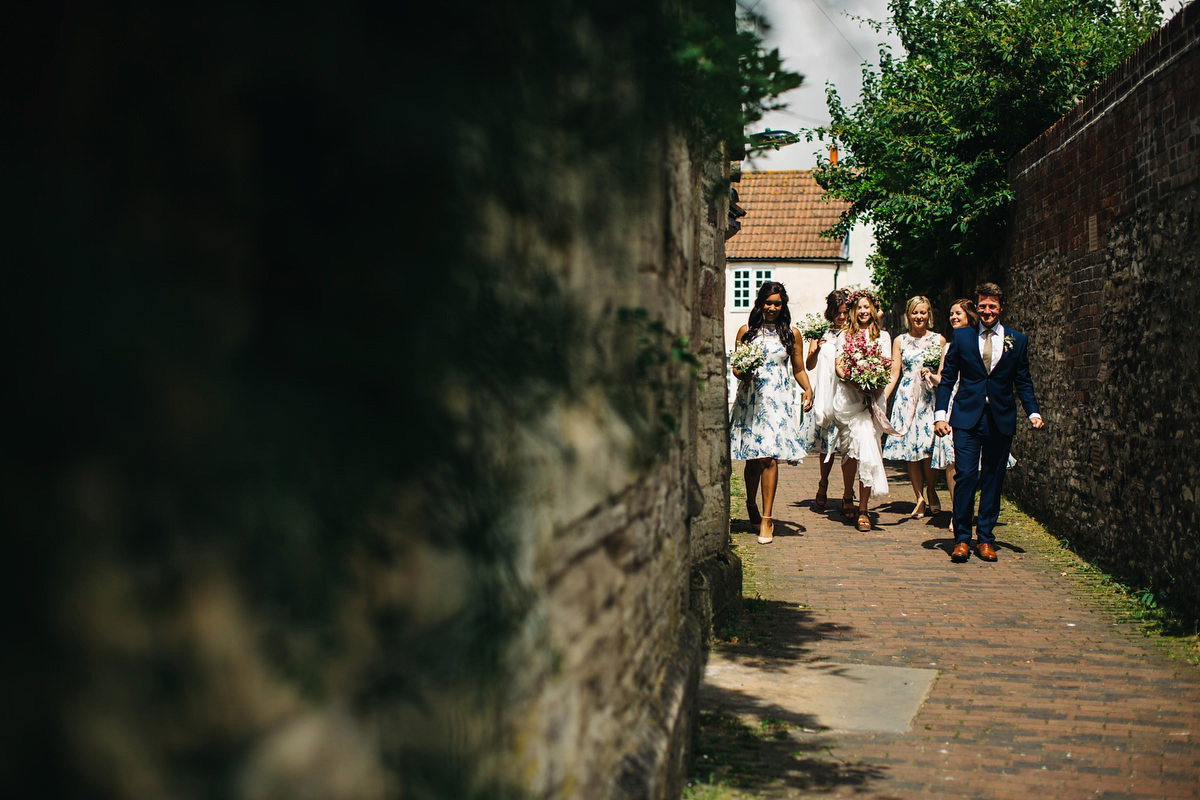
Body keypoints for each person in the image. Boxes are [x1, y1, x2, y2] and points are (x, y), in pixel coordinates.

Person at [934, 282, 1044, 562]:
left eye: (992, 306)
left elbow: (1023, 381)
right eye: (982, 305)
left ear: (1001, 307)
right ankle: (961, 538)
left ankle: (985, 538)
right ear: (977, 306)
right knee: (966, 476)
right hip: (966, 418)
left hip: (1000, 418)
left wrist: (1033, 411)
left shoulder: (1016, 341)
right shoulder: (962, 338)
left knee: (994, 479)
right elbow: (947, 380)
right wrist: (940, 415)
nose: (987, 311)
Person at [730, 281, 814, 544]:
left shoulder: (792, 334)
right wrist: (743, 372)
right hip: (751, 400)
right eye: (768, 302)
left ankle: (767, 519)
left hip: (777, 403)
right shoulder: (747, 332)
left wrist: (808, 389)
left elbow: (799, 369)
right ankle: (751, 503)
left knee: (769, 458)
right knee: (754, 460)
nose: (772, 307)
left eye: (777, 303)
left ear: (783, 305)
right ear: (760, 303)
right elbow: (736, 368)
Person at [831, 289, 891, 531]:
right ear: (854, 311)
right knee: (850, 453)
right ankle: (847, 494)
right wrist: (856, 380)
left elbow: (886, 366)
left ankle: (863, 509)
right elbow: (839, 366)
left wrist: (873, 383)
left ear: (874, 310)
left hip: (873, 400)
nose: (864, 312)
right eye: (860, 308)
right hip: (849, 399)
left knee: (868, 447)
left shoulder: (883, 337)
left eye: (868, 307)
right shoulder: (844, 336)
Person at [882, 296, 945, 518]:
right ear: (908, 315)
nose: (919, 317)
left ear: (929, 315)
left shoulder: (939, 340)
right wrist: (882, 399)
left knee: (928, 447)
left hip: (929, 397)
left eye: (923, 312)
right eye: (915, 313)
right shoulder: (900, 340)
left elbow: (943, 375)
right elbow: (894, 374)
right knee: (911, 449)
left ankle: (931, 489)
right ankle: (918, 497)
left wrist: (932, 376)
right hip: (907, 398)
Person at [799, 288, 853, 511]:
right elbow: (809, 365)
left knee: (848, 444)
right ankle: (823, 483)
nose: (842, 317)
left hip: (847, 392)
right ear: (830, 312)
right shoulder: (821, 332)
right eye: (838, 312)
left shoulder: (854, 332)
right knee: (826, 444)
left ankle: (848, 492)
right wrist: (816, 348)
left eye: (845, 312)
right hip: (826, 393)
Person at [929, 299, 978, 520]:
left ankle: (970, 509)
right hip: (952, 405)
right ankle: (957, 514)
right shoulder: (948, 345)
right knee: (952, 460)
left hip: (975, 403)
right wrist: (931, 377)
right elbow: (944, 378)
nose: (954, 317)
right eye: (951, 314)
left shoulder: (983, 340)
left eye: (958, 313)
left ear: (970, 315)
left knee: (975, 464)